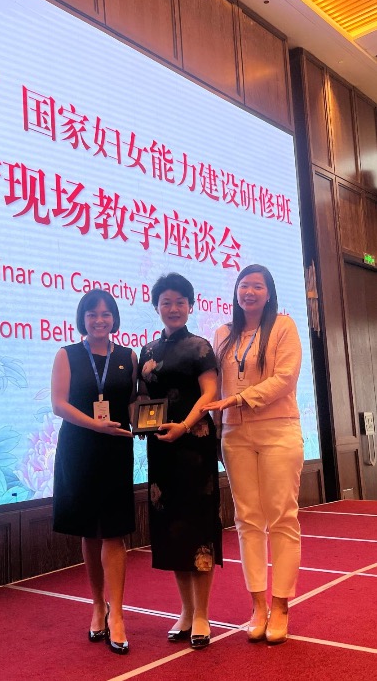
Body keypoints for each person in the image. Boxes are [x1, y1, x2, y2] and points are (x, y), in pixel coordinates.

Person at [202, 264, 303, 645]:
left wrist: (241, 398)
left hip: (278, 428)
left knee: (282, 517)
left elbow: (285, 378)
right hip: (235, 433)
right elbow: (215, 386)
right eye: (244, 285)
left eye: (257, 286)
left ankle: (281, 605)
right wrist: (215, 425)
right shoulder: (223, 334)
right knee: (247, 519)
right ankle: (258, 605)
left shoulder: (283, 327)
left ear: (269, 292)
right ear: (236, 292)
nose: (249, 292)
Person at [51, 289, 137, 656]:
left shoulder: (128, 356)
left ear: (114, 318)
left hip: (116, 450)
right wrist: (95, 425)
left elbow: (132, 403)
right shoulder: (67, 354)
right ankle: (97, 604)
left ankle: (117, 614)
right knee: (90, 531)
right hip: (80, 449)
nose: (99, 320)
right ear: (82, 319)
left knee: (114, 532)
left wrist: (145, 422)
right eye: (92, 314)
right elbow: (58, 404)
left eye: (105, 314)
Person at [138, 273, 221, 650]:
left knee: (198, 528)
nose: (173, 308)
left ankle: (203, 614)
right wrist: (141, 423)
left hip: (194, 447)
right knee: (171, 529)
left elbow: (209, 393)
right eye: (166, 302)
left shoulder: (200, 346)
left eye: (180, 302)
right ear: (156, 307)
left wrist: (184, 426)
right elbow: (143, 399)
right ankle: (186, 612)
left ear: (190, 305)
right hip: (162, 450)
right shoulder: (147, 351)